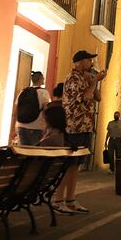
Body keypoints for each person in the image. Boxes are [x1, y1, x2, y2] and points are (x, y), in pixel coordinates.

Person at [56, 50, 105, 214]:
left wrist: (94, 81)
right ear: (81, 62)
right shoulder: (73, 78)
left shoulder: (85, 77)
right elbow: (84, 98)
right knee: (67, 164)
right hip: (74, 127)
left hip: (85, 126)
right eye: (89, 60)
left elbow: (97, 98)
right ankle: (58, 200)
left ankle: (70, 199)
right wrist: (94, 82)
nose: (92, 63)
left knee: (76, 165)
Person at [15, 71, 50, 146]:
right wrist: (47, 126)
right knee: (34, 153)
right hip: (36, 127)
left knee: (22, 152)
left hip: (21, 126)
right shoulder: (44, 92)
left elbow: (16, 109)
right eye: (43, 78)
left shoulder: (23, 92)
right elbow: (46, 109)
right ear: (40, 79)